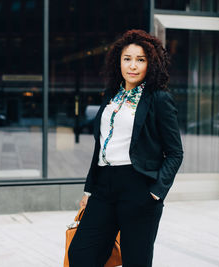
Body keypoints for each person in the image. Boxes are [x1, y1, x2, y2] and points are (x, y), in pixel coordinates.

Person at [68, 29, 183, 267]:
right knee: (81, 254)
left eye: (140, 60)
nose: (132, 65)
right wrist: (89, 191)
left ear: (151, 64)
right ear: (118, 61)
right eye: (127, 58)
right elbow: (101, 147)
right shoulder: (112, 95)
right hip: (104, 186)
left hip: (138, 187)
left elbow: (175, 152)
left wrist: (156, 192)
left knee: (136, 261)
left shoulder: (158, 99)